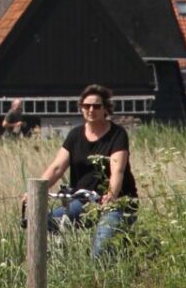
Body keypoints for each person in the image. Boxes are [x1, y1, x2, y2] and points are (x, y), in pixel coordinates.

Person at [32, 84, 138, 261]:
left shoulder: (117, 134)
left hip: (116, 203)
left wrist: (111, 195)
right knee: (44, 223)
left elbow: (117, 170)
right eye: (87, 106)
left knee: (101, 250)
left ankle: (110, 269)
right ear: (81, 108)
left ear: (105, 109)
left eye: (96, 106)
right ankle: (63, 262)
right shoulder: (75, 135)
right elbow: (57, 167)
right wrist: (37, 191)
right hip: (84, 202)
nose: (91, 110)